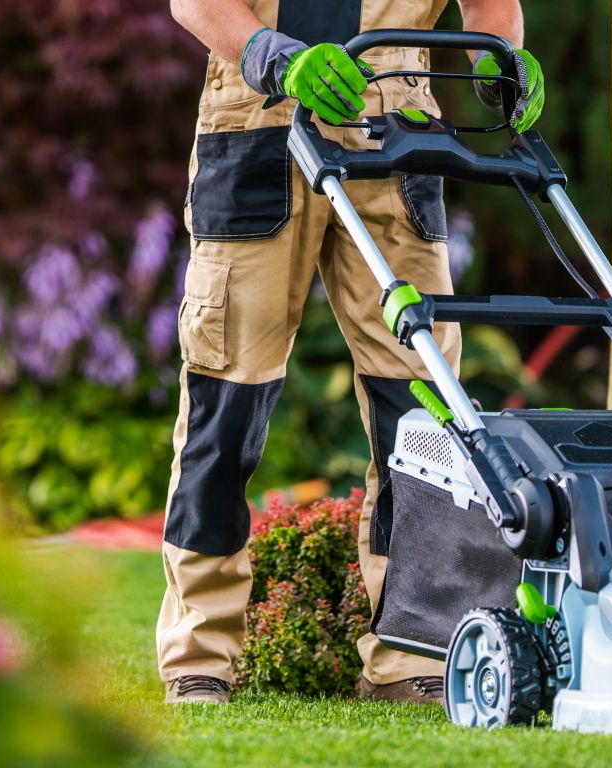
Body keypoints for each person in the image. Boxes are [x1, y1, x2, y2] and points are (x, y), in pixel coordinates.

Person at [157, 0, 546, 705]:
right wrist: (275, 56)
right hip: (258, 124)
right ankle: (200, 653)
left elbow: (493, 7)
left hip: (392, 136)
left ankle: (412, 650)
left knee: (423, 407)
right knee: (227, 397)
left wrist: (502, 59)